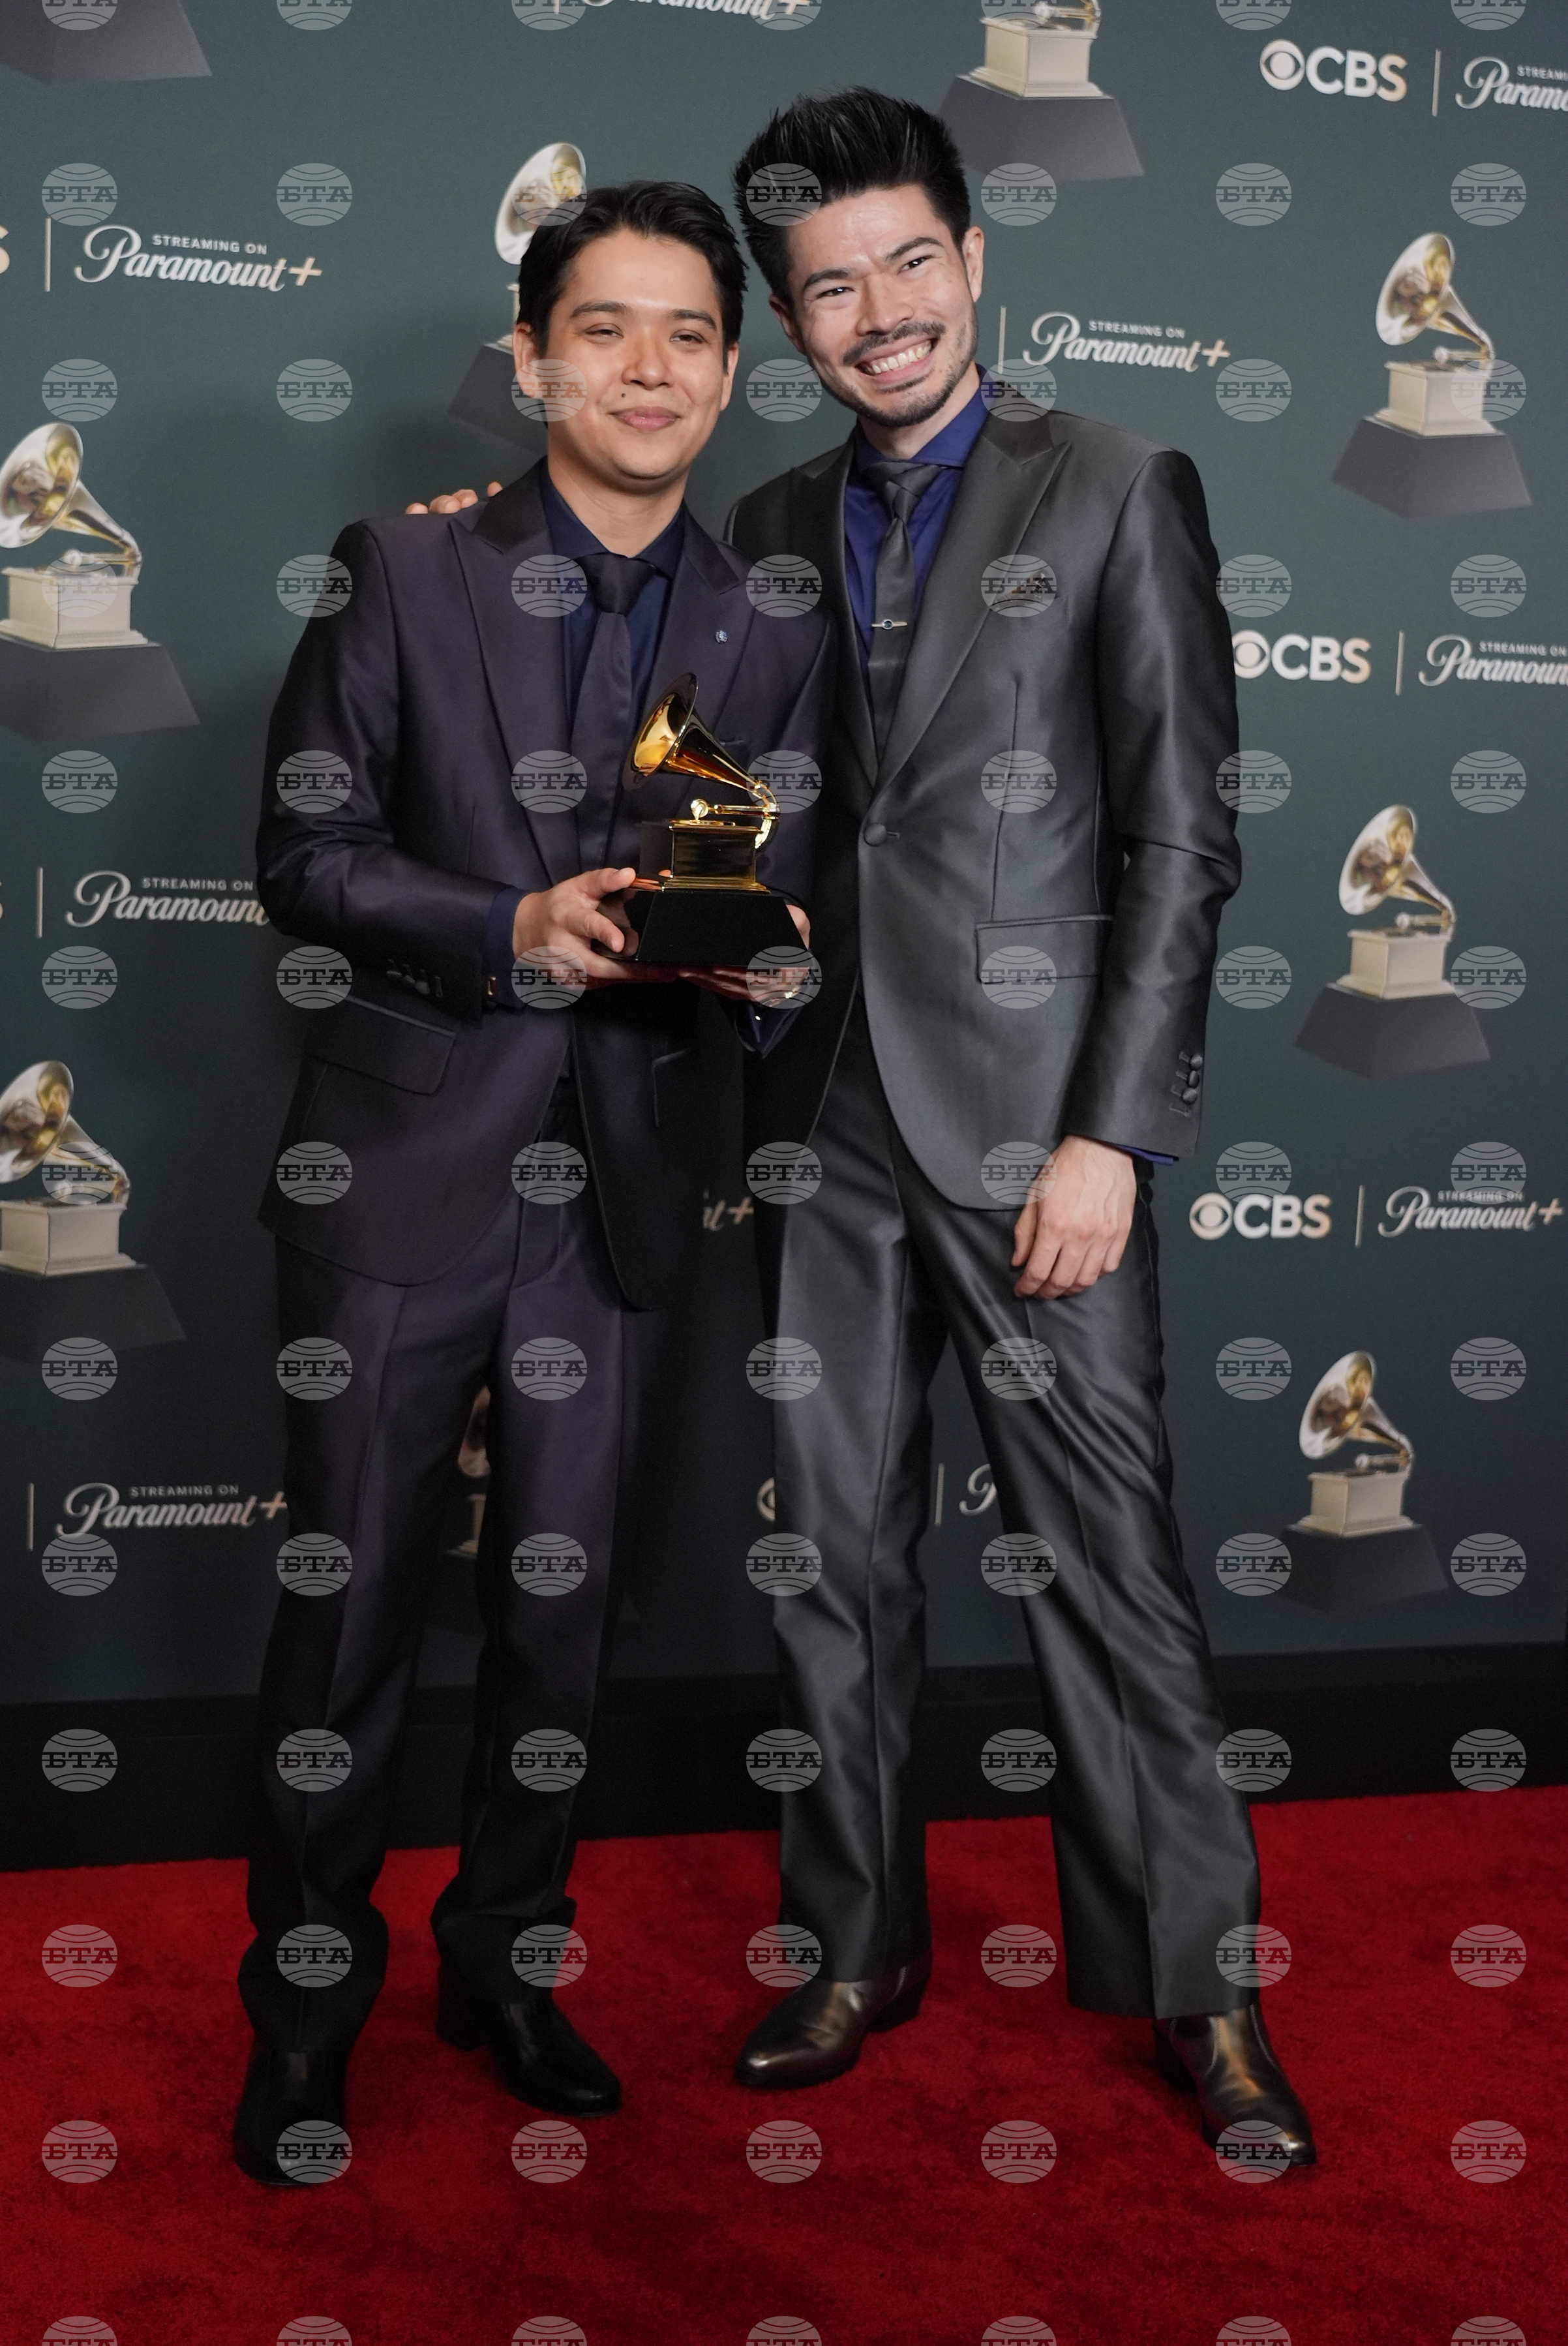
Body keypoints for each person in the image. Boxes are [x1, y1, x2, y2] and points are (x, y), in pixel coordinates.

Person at [717, 89, 1314, 2163]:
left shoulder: (1117, 479)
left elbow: (1178, 833)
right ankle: (854, 1938)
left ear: (971, 261)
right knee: (829, 1555)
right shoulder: (772, 526)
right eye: (825, 286)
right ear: (789, 319)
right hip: (819, 1118)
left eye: (904, 263)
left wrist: (1111, 1137)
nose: (873, 312)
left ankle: (1197, 1988)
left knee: (1108, 1567)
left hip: (1033, 1126)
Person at [235, 179, 829, 2186]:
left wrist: (767, 960)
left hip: (630, 1182)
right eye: (605, 328)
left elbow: (761, 873)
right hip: (405, 1160)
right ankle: (306, 2011)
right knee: (350, 1620)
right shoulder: (398, 576)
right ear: (532, 358)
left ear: (729, 375)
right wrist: (508, 923)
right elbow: (303, 863)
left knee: (561, 1628)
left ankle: (500, 1960)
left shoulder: (767, 617)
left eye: (686, 335)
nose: (647, 367)